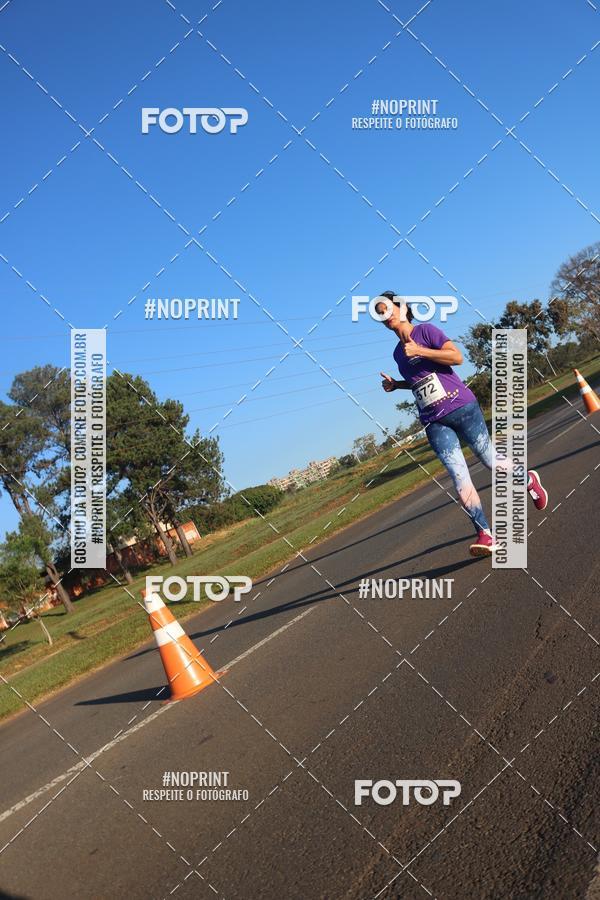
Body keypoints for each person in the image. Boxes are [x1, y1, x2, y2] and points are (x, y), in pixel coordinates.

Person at [376, 292, 548, 557]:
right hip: (434, 421)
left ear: (403, 308)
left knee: (489, 459)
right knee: (458, 476)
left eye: (388, 308)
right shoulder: (398, 354)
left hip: (462, 407)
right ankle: (485, 534)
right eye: (380, 313)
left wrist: (419, 349)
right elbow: (419, 381)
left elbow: (456, 358)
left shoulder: (425, 331)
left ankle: (528, 480)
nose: (386, 316)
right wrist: (396, 385)